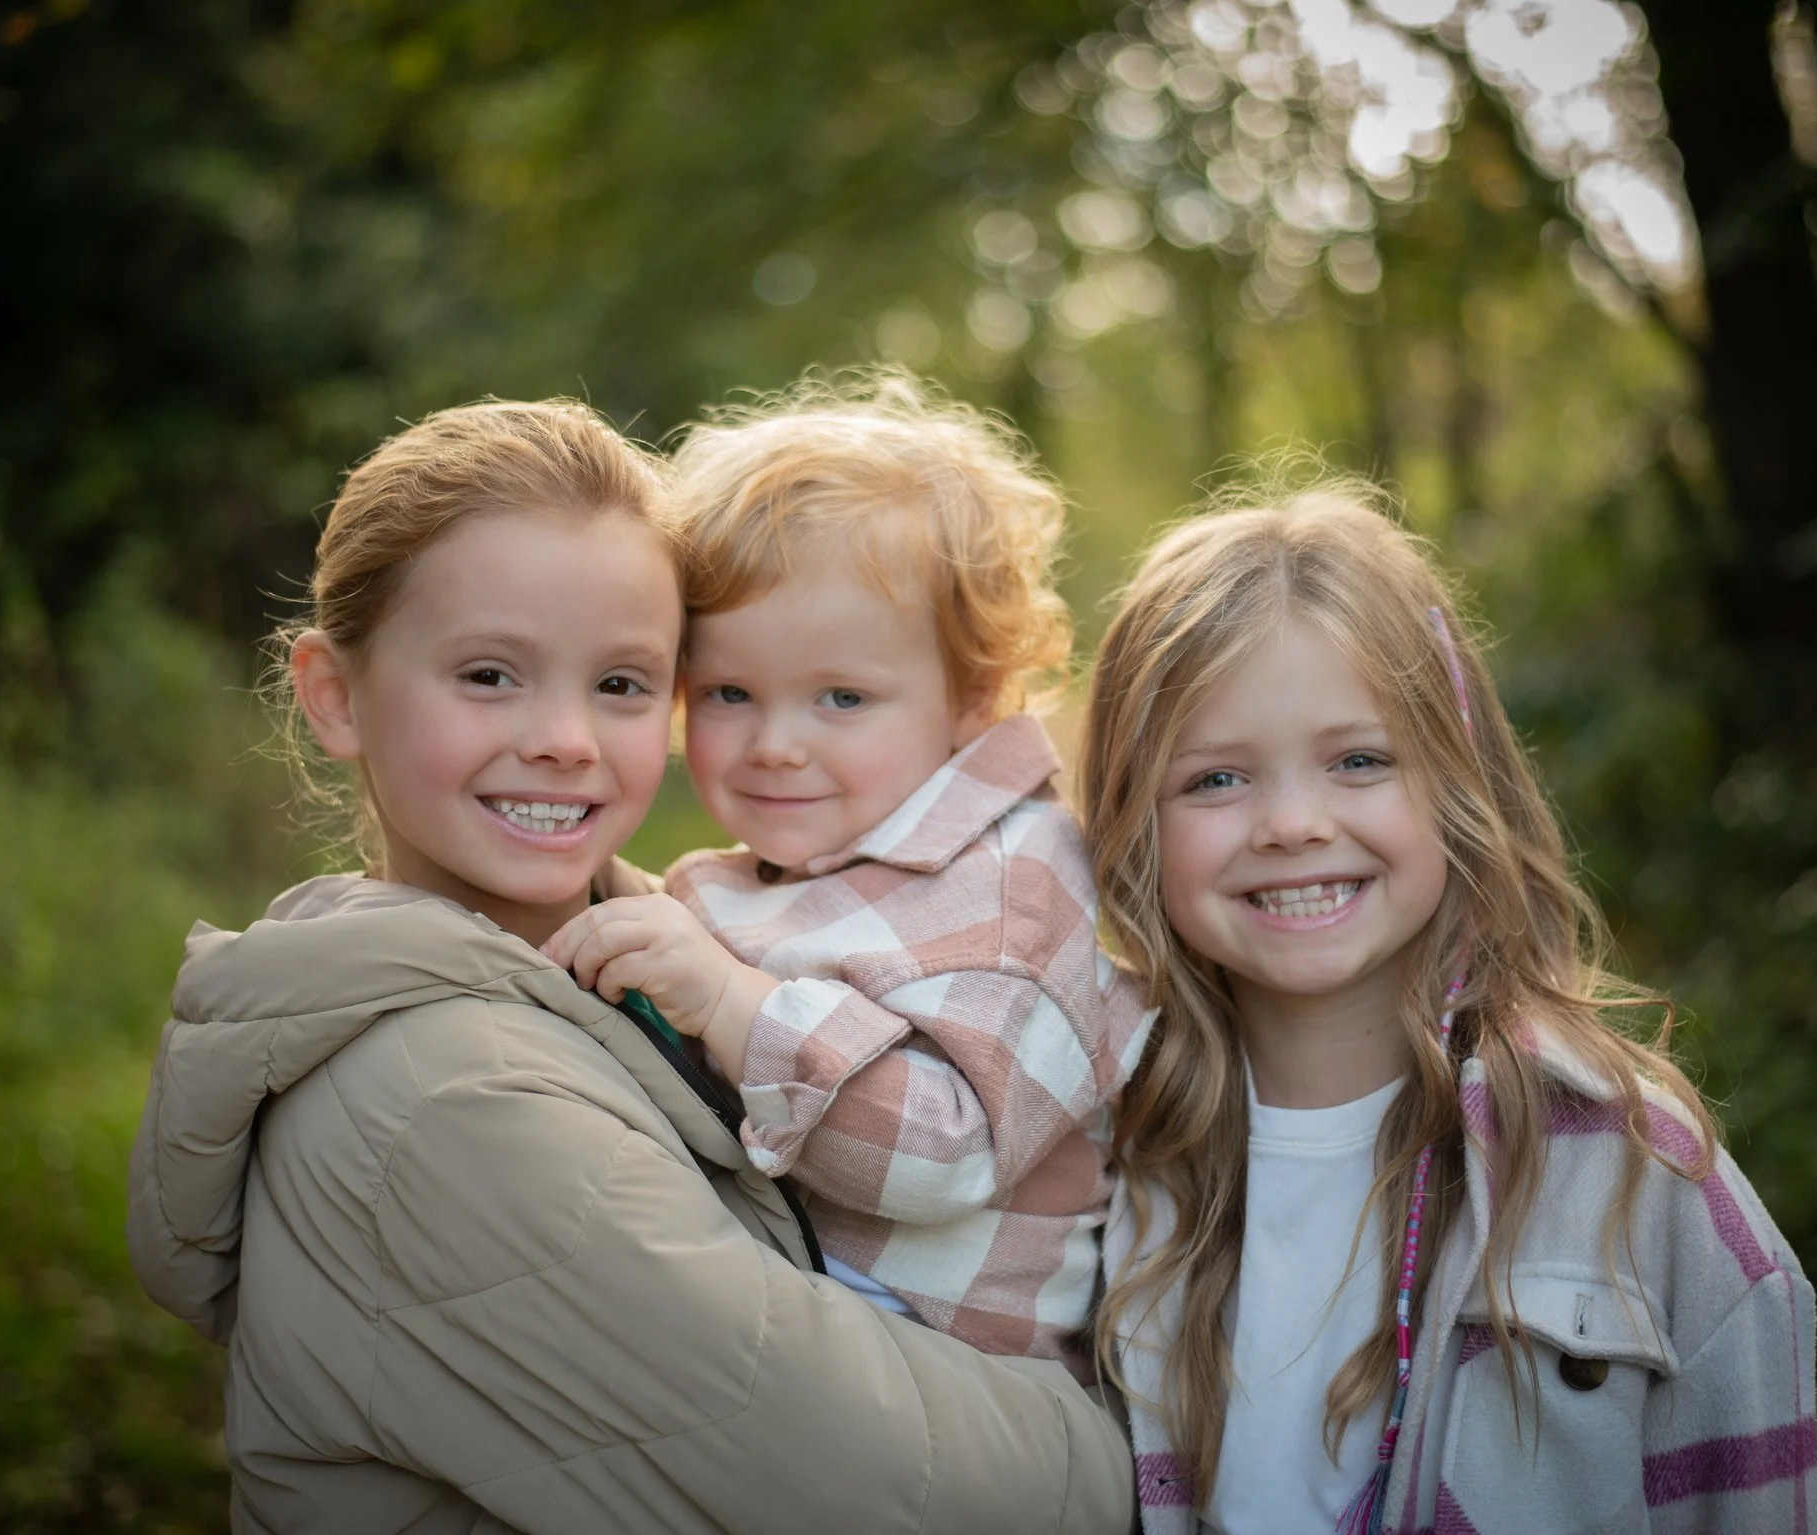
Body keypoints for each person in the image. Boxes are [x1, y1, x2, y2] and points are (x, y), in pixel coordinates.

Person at [123, 399, 1133, 1535]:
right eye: (490, 674)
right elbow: (927, 1495)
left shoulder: (666, 950)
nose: (567, 735)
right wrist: (1132, 1442)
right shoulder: (442, 1097)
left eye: (619, 682)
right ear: (335, 695)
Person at [1075, 484, 1817, 1534]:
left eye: (1358, 760)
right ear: (1129, 821)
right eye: (1214, 777)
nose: (1291, 822)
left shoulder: (1635, 1174)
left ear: (1456, 785)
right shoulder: (1079, 1157)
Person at [546, 373, 1154, 1371]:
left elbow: (941, 1153)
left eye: (839, 697)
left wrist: (732, 1001)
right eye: (730, 691)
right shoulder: (771, 873)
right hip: (792, 1333)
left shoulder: (1014, 886)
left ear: (976, 693)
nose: (776, 744)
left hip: (955, 1379)